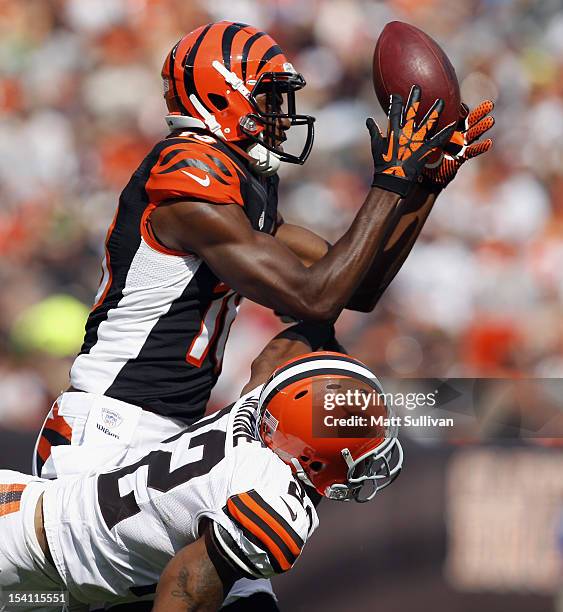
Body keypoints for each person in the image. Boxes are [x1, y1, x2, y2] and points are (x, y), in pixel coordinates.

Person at [32, 20, 484, 482]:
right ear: (222, 96)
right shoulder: (187, 176)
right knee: (297, 356)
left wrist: (424, 184)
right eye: (271, 98)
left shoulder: (240, 185)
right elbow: (315, 296)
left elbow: (355, 286)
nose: (284, 117)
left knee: (303, 345)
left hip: (164, 430)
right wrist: (391, 180)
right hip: (110, 431)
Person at [0, 331, 402, 612]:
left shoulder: (258, 406)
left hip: (38, 541)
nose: (367, 465)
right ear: (312, 452)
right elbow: (188, 588)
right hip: (30, 563)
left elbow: (278, 353)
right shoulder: (272, 499)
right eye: (360, 448)